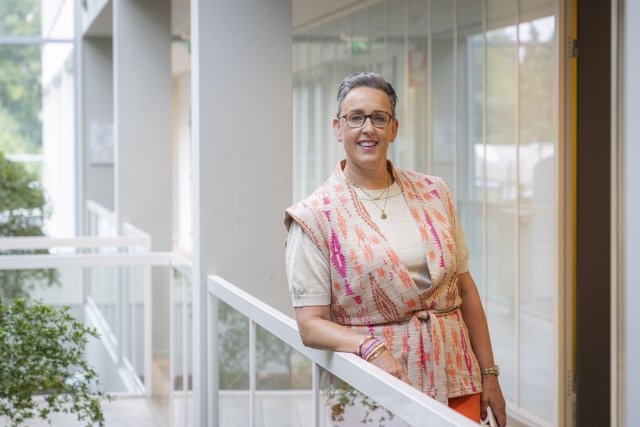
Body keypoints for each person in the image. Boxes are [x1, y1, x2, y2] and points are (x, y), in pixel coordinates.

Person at [284, 72, 506, 426]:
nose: (367, 128)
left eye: (379, 117)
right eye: (355, 117)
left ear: (394, 128)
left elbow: (465, 288)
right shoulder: (315, 215)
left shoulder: (434, 193)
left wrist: (489, 373)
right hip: (376, 382)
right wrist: (370, 348)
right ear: (338, 128)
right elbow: (310, 325)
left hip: (455, 371)